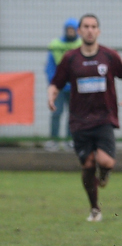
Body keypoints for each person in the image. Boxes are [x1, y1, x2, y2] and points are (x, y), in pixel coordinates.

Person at [47, 14, 122, 222]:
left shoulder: (109, 56)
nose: (89, 30)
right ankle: (95, 208)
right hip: (79, 120)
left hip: (104, 117)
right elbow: (55, 83)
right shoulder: (70, 58)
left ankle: (104, 175)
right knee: (87, 165)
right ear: (79, 31)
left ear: (98, 31)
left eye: (93, 26)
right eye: (85, 26)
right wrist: (51, 96)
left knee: (106, 161)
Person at [44, 17, 82, 151]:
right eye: (68, 29)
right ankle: (53, 140)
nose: (70, 32)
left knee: (73, 115)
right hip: (59, 87)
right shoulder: (55, 44)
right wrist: (53, 84)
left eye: (73, 30)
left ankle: (69, 140)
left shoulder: (81, 45)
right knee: (56, 113)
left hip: (74, 88)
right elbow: (49, 67)